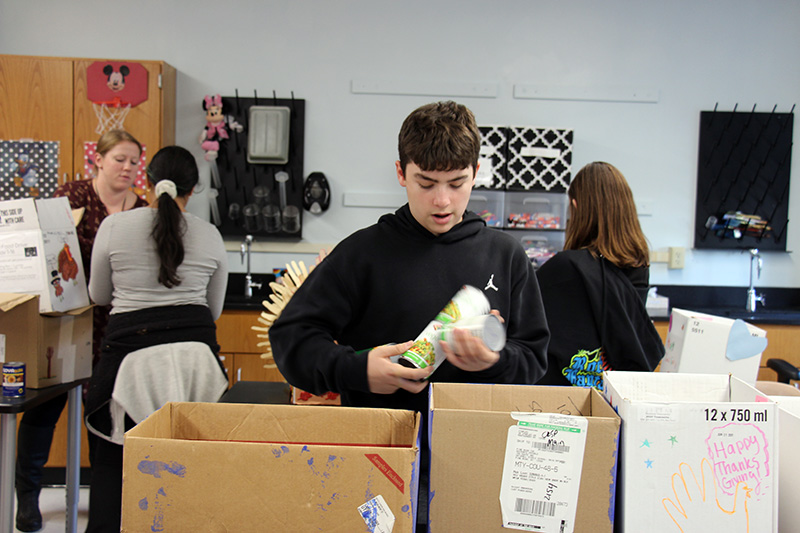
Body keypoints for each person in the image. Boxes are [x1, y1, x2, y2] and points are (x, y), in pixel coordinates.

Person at [269, 100, 550, 528]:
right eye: (425, 182)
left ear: (476, 172)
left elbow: (535, 360)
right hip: (379, 463)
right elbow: (290, 340)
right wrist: (358, 370)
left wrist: (496, 361)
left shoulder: (505, 255)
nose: (442, 200)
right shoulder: (363, 254)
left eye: (457, 183)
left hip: (478, 466)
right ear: (401, 172)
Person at [84, 145, 229, 532]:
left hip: (125, 365)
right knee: (194, 472)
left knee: (113, 467)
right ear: (194, 189)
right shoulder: (211, 235)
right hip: (197, 370)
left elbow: (98, 295)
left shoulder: (114, 227)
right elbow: (213, 311)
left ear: (146, 181)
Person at [14, 130, 148, 532]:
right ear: (99, 159)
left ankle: (103, 498)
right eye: (120, 159)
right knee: (43, 412)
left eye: (134, 162)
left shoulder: (139, 210)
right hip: (64, 322)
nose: (127, 168)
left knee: (103, 414)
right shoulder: (69, 197)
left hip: (112, 326)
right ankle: (28, 498)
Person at [535, 161, 665, 388]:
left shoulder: (565, 269)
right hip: (617, 401)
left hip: (560, 408)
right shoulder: (639, 267)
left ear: (575, 206)